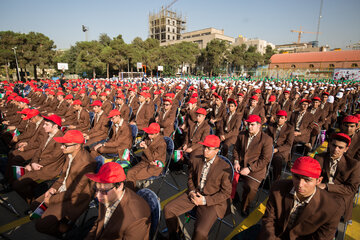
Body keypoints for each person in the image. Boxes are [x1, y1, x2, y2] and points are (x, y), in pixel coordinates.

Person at [257, 156, 344, 240]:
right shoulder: (278, 188)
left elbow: (321, 238)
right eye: (296, 177)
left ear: (318, 181)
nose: (300, 184)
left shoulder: (332, 208)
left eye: (307, 180)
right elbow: (269, 219)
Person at [164, 135, 232, 240]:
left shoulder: (224, 168)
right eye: (204, 147)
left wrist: (204, 200)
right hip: (195, 193)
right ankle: (176, 235)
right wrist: (191, 191)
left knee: (200, 232)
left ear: (217, 150)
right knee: (168, 209)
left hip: (211, 201)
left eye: (209, 148)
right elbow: (190, 178)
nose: (205, 150)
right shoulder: (196, 159)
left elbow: (226, 193)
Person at [33, 130, 96, 237]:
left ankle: (64, 233)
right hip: (64, 190)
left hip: (75, 198)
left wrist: (51, 200)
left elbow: (75, 192)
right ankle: (61, 226)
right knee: (34, 205)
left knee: (40, 225)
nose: (62, 147)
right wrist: (53, 189)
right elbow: (63, 177)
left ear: (77, 146)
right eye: (62, 144)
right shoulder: (70, 154)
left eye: (65, 145)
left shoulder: (85, 164)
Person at [85, 162, 151, 240]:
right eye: (96, 189)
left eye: (103, 191)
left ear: (120, 186)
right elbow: (99, 223)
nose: (97, 196)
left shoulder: (136, 219)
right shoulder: (106, 196)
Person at [12, 114, 65, 203]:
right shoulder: (48, 134)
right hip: (38, 165)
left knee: (17, 184)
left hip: (47, 169)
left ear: (55, 126)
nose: (43, 126)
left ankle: (32, 201)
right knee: (20, 177)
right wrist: (33, 163)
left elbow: (53, 157)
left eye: (46, 124)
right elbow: (38, 150)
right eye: (44, 124)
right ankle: (31, 199)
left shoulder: (60, 138)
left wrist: (34, 164)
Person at [232, 114, 273, 216]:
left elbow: (265, 159)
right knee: (225, 177)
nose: (249, 127)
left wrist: (250, 168)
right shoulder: (242, 134)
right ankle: (235, 197)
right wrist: (236, 161)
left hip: (256, 169)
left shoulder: (266, 139)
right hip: (240, 165)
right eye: (248, 124)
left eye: (252, 125)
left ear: (259, 125)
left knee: (250, 187)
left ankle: (245, 206)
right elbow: (236, 149)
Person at [315, 133, 360, 222]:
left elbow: (352, 188)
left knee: (332, 208)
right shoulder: (319, 157)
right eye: (334, 145)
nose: (336, 149)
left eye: (340, 147)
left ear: (346, 149)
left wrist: (327, 186)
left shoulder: (354, 165)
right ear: (329, 144)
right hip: (320, 190)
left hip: (340, 195)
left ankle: (331, 232)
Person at [126, 123, 166, 190]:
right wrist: (140, 145)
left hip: (154, 166)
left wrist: (145, 148)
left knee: (133, 176)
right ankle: (132, 192)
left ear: (157, 133)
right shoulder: (148, 138)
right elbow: (141, 146)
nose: (149, 135)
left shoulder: (162, 144)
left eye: (151, 134)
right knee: (130, 173)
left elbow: (152, 159)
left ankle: (133, 193)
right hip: (144, 161)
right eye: (148, 133)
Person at [266, 110, 294, 181]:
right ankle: (262, 177)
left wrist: (276, 150)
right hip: (270, 147)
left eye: (282, 118)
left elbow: (288, 145)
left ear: (285, 119)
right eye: (278, 117)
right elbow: (265, 137)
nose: (279, 119)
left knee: (277, 160)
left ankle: (276, 180)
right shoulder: (271, 125)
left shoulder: (289, 128)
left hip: (281, 150)